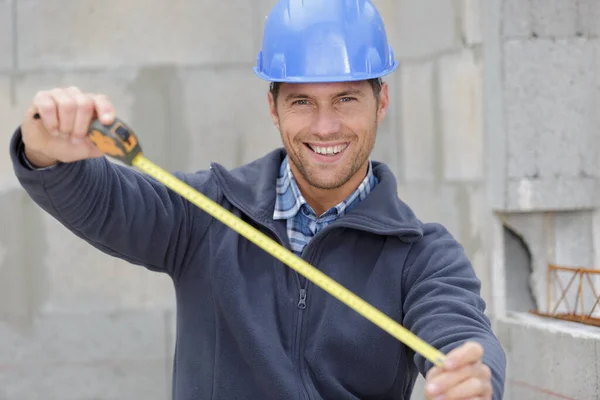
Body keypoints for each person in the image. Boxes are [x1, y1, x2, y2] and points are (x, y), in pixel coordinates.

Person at [8, 0, 506, 399]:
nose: (325, 125)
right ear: (273, 107)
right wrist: (46, 151)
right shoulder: (205, 213)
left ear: (382, 101)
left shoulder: (422, 255)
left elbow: (460, 332)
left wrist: (469, 378)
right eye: (302, 101)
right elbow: (110, 202)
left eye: (346, 98)